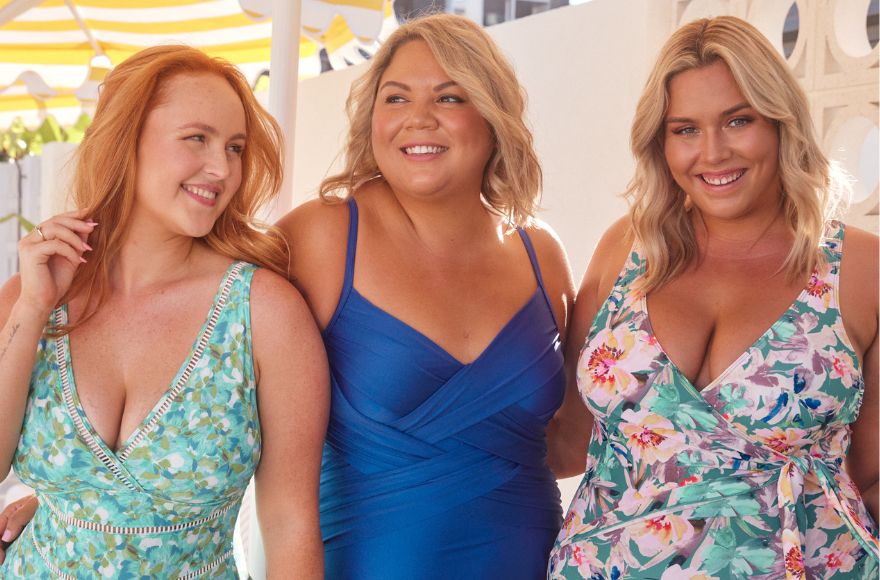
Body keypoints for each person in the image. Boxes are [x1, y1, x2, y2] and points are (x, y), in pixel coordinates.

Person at [546, 15, 879, 579]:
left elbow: (873, 477)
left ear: (780, 123)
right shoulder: (625, 248)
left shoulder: (861, 269)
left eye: (738, 120)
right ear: (661, 140)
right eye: (686, 129)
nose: (713, 152)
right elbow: (564, 441)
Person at [0, 45, 329, 577]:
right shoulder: (33, 295)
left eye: (236, 147)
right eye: (197, 138)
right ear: (125, 141)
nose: (222, 168)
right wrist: (34, 307)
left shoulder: (262, 312)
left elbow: (290, 522)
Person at [276, 13, 574, 579]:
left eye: (449, 97)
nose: (418, 119)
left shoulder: (542, 253)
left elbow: (573, 444)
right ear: (371, 119)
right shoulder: (320, 237)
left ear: (492, 117)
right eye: (395, 99)